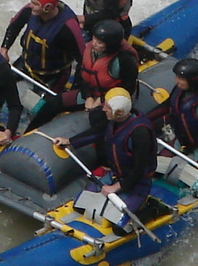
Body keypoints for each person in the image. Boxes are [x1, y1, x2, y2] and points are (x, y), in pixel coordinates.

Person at [53, 86, 160, 220]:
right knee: (79, 206)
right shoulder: (114, 121)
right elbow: (97, 132)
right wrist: (69, 141)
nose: (103, 109)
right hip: (116, 175)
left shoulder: (140, 133)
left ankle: (153, 207)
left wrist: (116, 187)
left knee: (118, 224)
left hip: (137, 182)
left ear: (119, 112)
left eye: (108, 107)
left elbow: (140, 169)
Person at [25, 18, 139, 131]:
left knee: (97, 119)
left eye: (100, 42)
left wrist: (102, 100)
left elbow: (128, 87)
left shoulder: (124, 60)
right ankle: (29, 132)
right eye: (94, 39)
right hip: (91, 94)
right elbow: (82, 75)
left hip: (111, 100)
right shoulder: (90, 50)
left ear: (110, 45)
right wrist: (88, 96)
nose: (94, 44)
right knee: (52, 104)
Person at [0, 0, 86, 94]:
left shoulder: (68, 26)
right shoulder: (30, 10)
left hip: (54, 75)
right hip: (26, 65)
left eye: (35, 4)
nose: (31, 6)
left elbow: (82, 59)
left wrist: (76, 88)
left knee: (39, 107)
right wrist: (4, 49)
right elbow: (14, 26)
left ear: (47, 8)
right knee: (0, 85)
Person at [151, 57, 198, 174]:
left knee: (196, 174)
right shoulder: (179, 89)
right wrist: (142, 118)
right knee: (157, 167)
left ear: (193, 80)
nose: (176, 81)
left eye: (181, 78)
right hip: (182, 141)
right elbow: (166, 107)